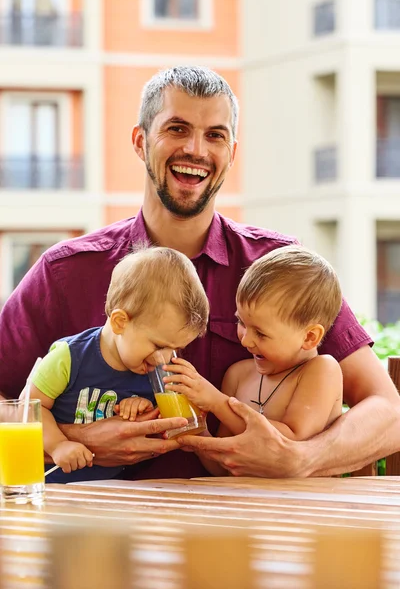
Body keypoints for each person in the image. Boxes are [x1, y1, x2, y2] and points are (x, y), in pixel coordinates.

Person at [0, 65, 398, 480]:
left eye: (215, 135)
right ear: (140, 141)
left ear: (232, 152)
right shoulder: (66, 272)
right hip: (105, 532)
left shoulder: (279, 267)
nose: (196, 150)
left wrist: (303, 457)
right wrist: (70, 439)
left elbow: (388, 412)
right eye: (176, 128)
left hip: (251, 529)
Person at [21, 247, 209, 483]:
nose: (167, 357)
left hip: (110, 492)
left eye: (176, 348)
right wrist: (58, 445)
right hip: (52, 486)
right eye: (159, 345)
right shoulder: (69, 357)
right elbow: (28, 407)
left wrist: (140, 408)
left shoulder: (151, 369)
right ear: (120, 322)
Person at [162, 246, 343, 475]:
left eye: (261, 333)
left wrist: (217, 402)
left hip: (303, 505)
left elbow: (290, 440)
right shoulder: (238, 375)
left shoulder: (320, 370)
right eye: (242, 324)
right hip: (243, 503)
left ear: (309, 337)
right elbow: (223, 467)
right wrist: (198, 431)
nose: (246, 341)